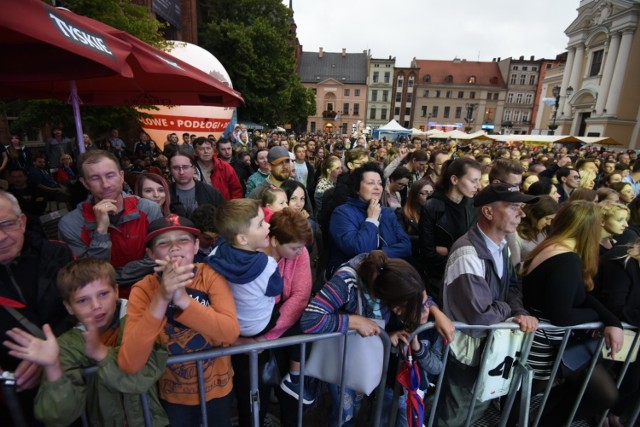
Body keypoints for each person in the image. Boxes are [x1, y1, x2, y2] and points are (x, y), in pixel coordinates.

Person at [4, 258, 168, 426]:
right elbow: (57, 417)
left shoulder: (143, 322)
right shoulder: (66, 346)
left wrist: (100, 352)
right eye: (83, 300)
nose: (96, 305)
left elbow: (141, 379)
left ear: (116, 291)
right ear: (68, 307)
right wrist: (53, 367)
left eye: (103, 294)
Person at [301, 250, 455, 427]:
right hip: (340, 359)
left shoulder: (390, 275)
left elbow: (420, 298)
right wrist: (354, 321)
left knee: (355, 409)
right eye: (403, 308)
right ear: (394, 304)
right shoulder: (347, 282)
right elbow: (310, 320)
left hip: (361, 360)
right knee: (345, 415)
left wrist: (437, 312)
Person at [118, 214, 240, 427]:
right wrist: (163, 296)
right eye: (163, 243)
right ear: (151, 254)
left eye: (183, 240)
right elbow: (130, 362)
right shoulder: (143, 290)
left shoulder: (210, 276)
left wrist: (183, 300)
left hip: (218, 389)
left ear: (195, 246)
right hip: (173, 397)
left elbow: (229, 332)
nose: (174, 247)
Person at [436, 183, 539, 427]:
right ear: (488, 212)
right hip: (467, 350)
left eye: (521, 207)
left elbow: (512, 288)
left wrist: (519, 312)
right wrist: (508, 310)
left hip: (487, 348)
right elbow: (479, 317)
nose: (522, 214)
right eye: (514, 207)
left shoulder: (500, 246)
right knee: (455, 413)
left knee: (473, 406)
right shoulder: (467, 253)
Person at [521, 201, 623, 425]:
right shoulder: (565, 259)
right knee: (603, 394)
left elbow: (581, 296)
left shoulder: (556, 249)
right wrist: (596, 318)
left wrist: (610, 320)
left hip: (548, 345)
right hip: (546, 347)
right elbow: (561, 316)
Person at [207, 199, 284, 427]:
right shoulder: (267, 264)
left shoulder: (215, 255)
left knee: (241, 379)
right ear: (242, 238)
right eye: (261, 224)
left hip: (231, 325)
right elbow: (276, 289)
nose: (268, 226)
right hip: (259, 324)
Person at [0, 190, 75, 423]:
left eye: (7, 224)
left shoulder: (56, 254)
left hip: (71, 377)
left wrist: (50, 355)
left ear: (22, 222)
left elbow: (81, 312)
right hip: (13, 394)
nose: (1, 237)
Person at [58, 150, 162, 287]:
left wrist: (113, 277)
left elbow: (158, 259)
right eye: (95, 178)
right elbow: (86, 276)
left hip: (149, 290)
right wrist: (100, 232)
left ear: (121, 176)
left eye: (110, 175)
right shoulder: (70, 224)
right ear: (84, 183)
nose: (105, 184)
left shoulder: (148, 209)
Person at [327, 162, 411, 276]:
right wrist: (371, 220)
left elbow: (406, 246)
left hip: (386, 272)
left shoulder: (387, 212)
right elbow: (359, 251)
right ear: (357, 189)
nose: (377, 187)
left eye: (380, 183)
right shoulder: (342, 213)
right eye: (371, 183)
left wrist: (379, 254)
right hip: (354, 276)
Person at [418, 157, 481, 302]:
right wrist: (458, 255)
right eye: (473, 181)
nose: (478, 186)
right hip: (439, 280)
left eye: (478, 181)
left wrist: (450, 249)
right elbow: (428, 252)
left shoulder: (473, 205)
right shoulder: (432, 206)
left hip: (469, 275)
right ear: (454, 179)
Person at [596, 239, 640, 426]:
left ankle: (614, 413)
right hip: (605, 333)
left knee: (633, 383)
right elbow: (615, 306)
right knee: (607, 387)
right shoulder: (621, 261)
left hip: (631, 334)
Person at [168, 151, 225, 218]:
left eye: (185, 167)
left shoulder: (211, 193)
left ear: (194, 169)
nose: (181, 172)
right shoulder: (165, 194)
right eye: (176, 168)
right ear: (170, 170)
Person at [507, 196, 559, 267]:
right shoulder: (515, 235)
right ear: (536, 215)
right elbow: (514, 268)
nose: (549, 223)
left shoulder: (542, 230)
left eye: (551, 220)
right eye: (547, 219)